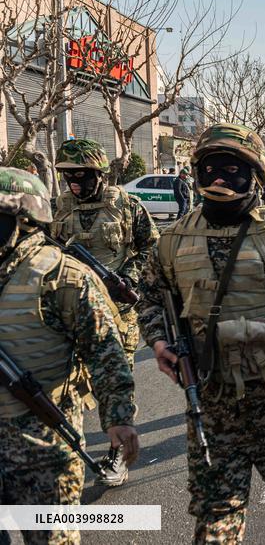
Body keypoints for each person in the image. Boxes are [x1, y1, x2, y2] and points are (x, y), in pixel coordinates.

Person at [138, 124, 265, 544]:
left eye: (232, 170)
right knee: (214, 524)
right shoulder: (172, 242)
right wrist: (159, 341)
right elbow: (149, 299)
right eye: (211, 168)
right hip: (212, 406)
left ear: (254, 177)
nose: (219, 179)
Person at [0, 167, 139, 545]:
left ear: (25, 221)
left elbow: (105, 351)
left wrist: (118, 418)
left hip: (43, 450)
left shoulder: (63, 277)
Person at [51, 138, 158, 486]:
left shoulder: (126, 205)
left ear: (99, 174)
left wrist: (129, 277)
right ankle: (64, 455)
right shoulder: (60, 206)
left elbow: (151, 248)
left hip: (115, 311)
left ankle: (116, 454)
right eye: (69, 177)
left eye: (81, 176)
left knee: (114, 383)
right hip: (71, 310)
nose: (75, 184)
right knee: (66, 383)